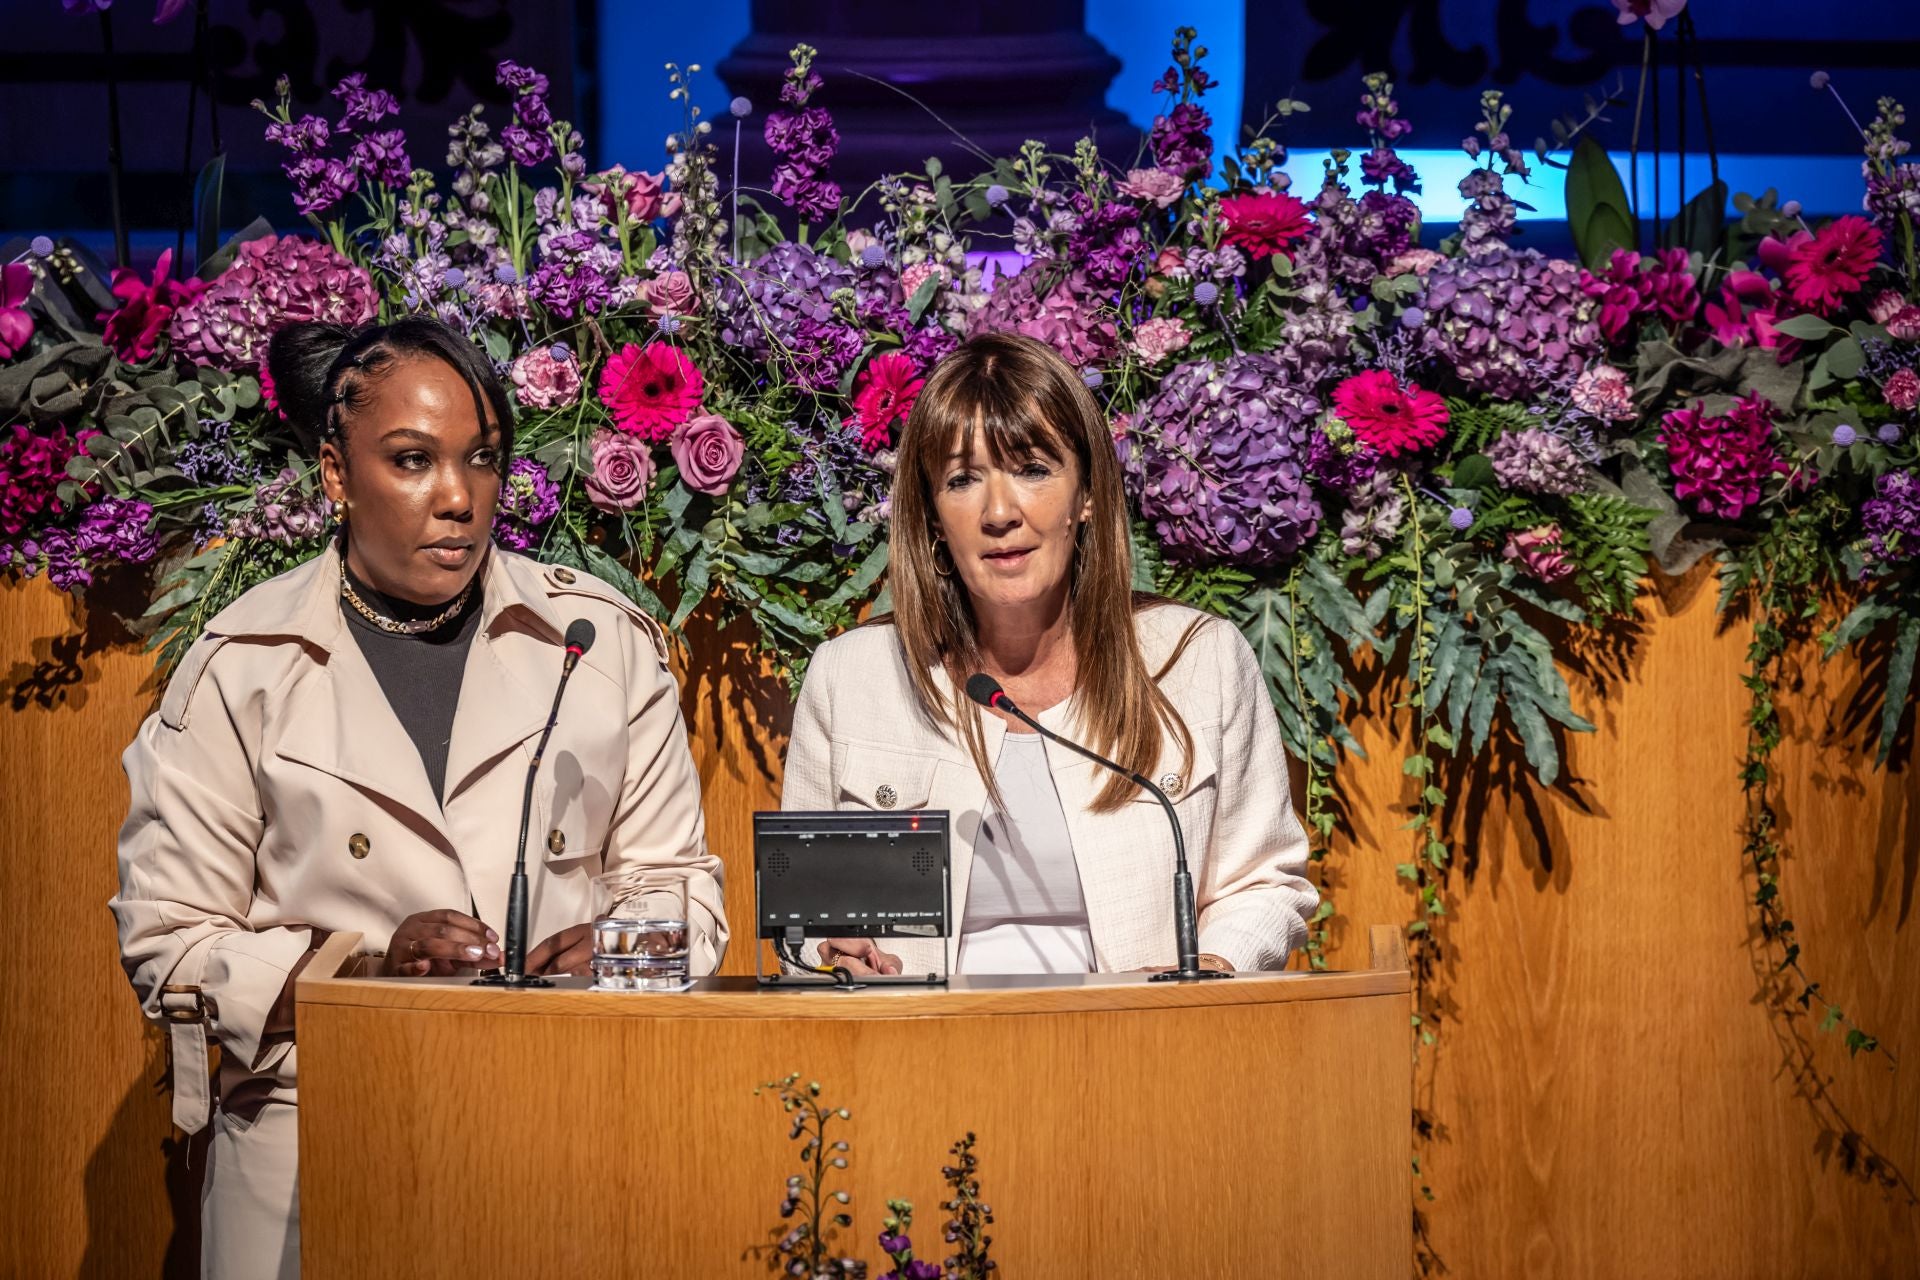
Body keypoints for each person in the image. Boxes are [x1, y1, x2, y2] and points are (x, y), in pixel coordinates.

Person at [111, 317, 725, 1278]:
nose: (456, 497)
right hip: (312, 1147)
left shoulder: (597, 645)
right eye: (411, 459)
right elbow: (168, 944)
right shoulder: (239, 668)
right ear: (334, 472)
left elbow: (682, 889)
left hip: (562, 1127)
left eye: (481, 460)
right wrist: (356, 970)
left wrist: (622, 949)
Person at [781, 331, 1317, 977]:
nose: (999, 511)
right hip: (918, 1054)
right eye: (962, 479)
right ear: (930, 516)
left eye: (1033, 469)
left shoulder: (1199, 660)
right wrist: (833, 952)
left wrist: (1210, 968)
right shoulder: (853, 676)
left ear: (1086, 494)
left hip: (1140, 1048)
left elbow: (1265, 883)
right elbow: (812, 924)